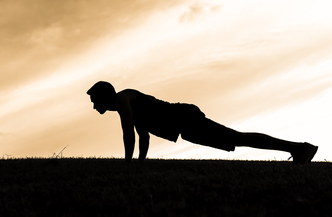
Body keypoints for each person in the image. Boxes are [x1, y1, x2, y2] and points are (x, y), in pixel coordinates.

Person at [87, 81, 318, 164]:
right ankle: (299, 149)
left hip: (184, 118)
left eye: (94, 100)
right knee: (236, 139)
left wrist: (127, 165)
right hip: (184, 125)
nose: (93, 105)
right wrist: (139, 163)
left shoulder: (123, 98)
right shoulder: (128, 107)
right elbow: (142, 136)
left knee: (237, 138)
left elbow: (129, 134)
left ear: (105, 95)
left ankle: (300, 148)